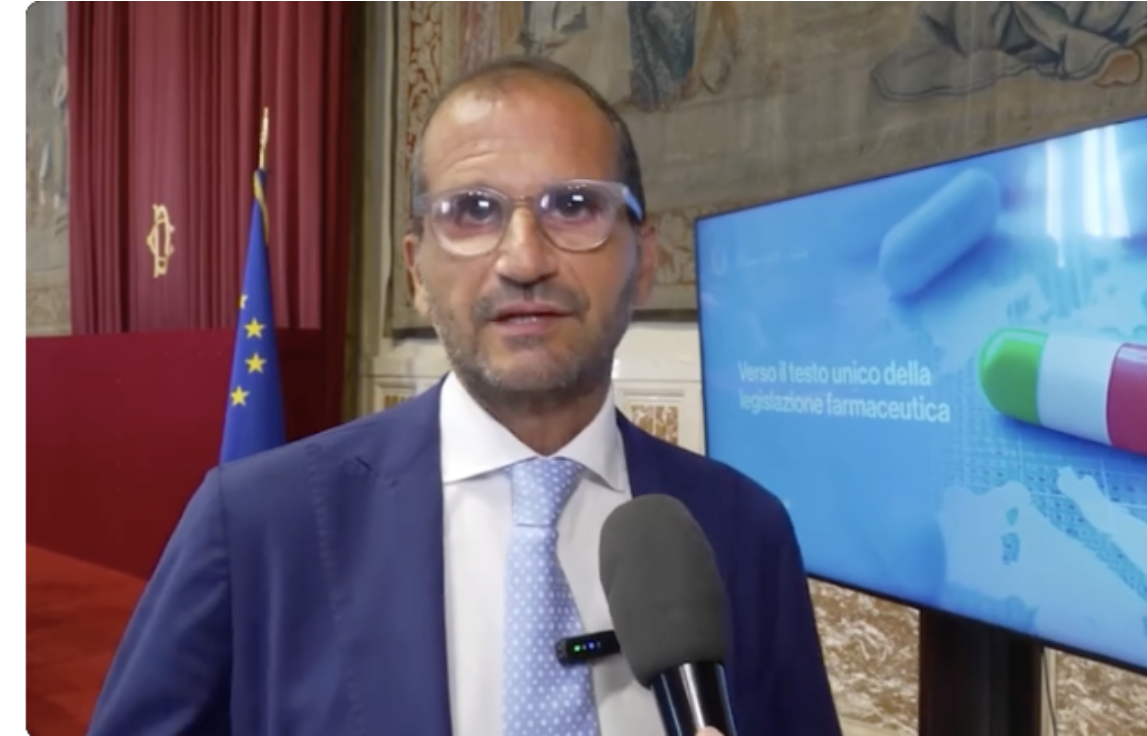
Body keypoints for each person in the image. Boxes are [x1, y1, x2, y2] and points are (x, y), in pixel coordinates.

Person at [86, 56, 842, 736]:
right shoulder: (255, 522)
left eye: (574, 205)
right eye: (473, 212)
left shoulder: (745, 531)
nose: (523, 258)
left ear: (644, 262)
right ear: (417, 270)